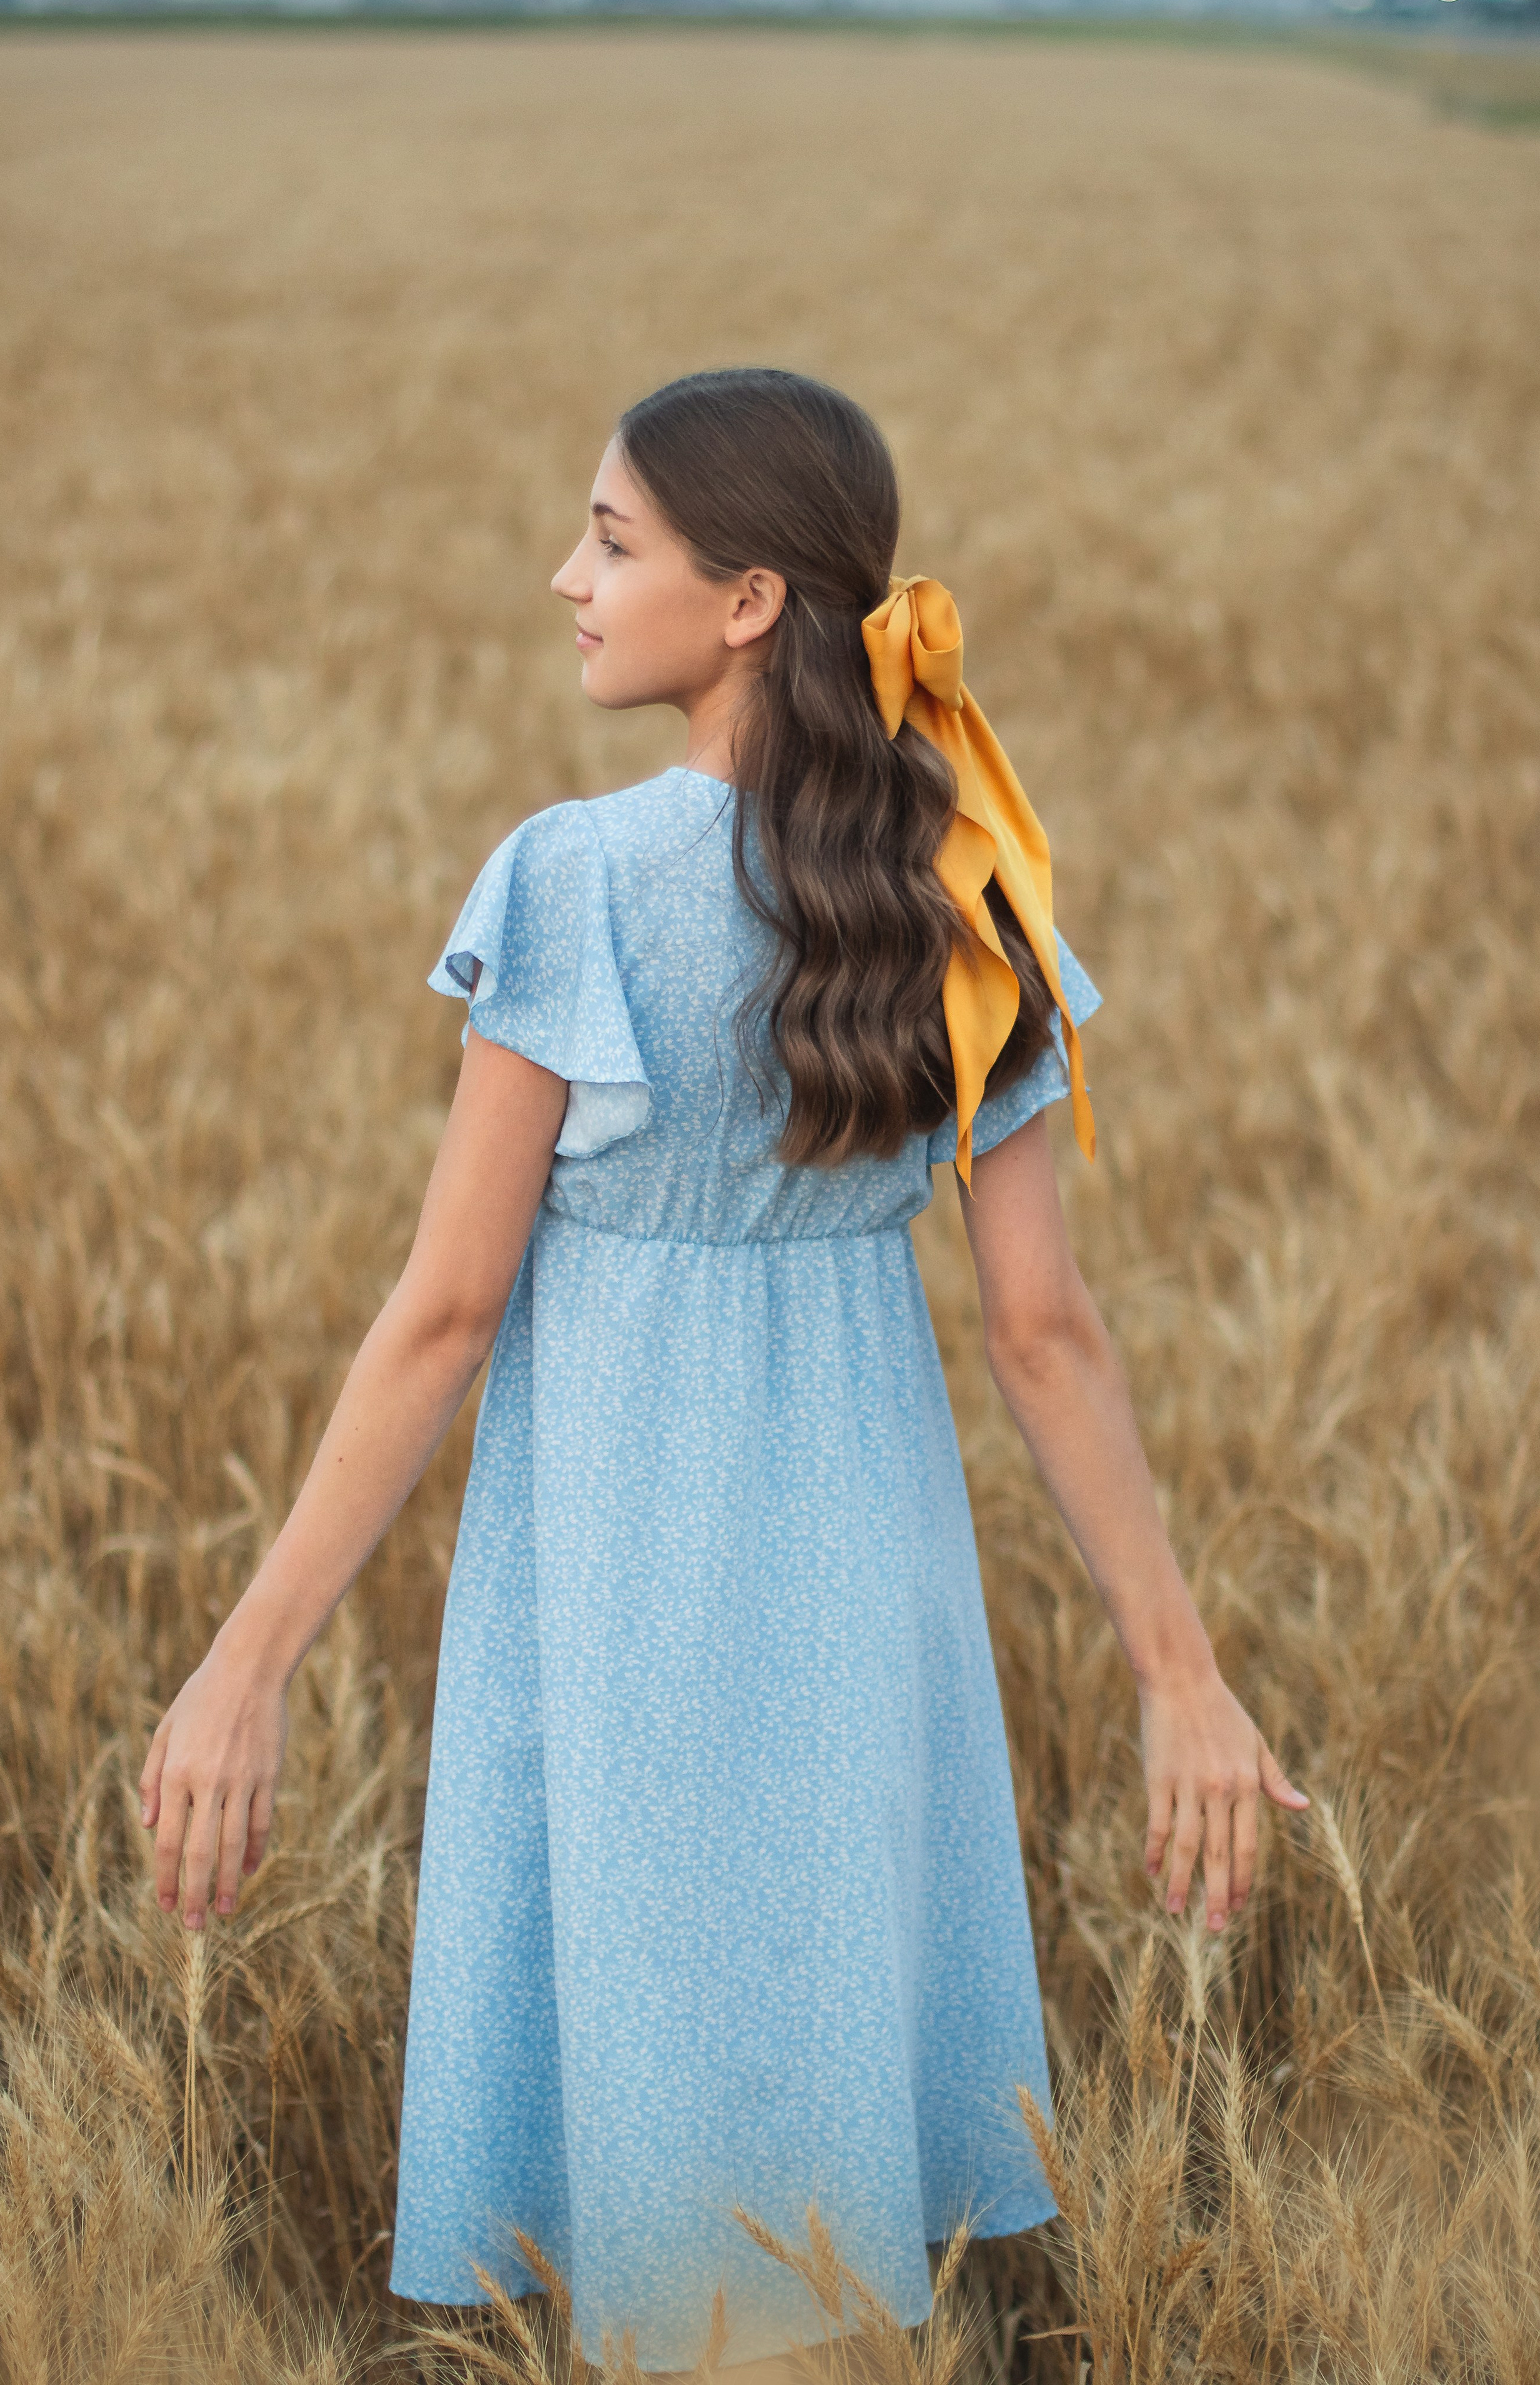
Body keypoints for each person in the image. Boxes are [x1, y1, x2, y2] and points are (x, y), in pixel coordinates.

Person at [138, 368, 1308, 2379]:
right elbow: (1047, 1332)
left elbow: (443, 1313)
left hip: (624, 1607)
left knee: (667, 2228)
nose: (567, 579)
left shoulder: (574, 875)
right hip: (874, 1611)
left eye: (612, 540)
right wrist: (1177, 1678)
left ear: (751, 596)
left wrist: (245, 1660)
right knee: (822, 2219)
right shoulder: (970, 878)